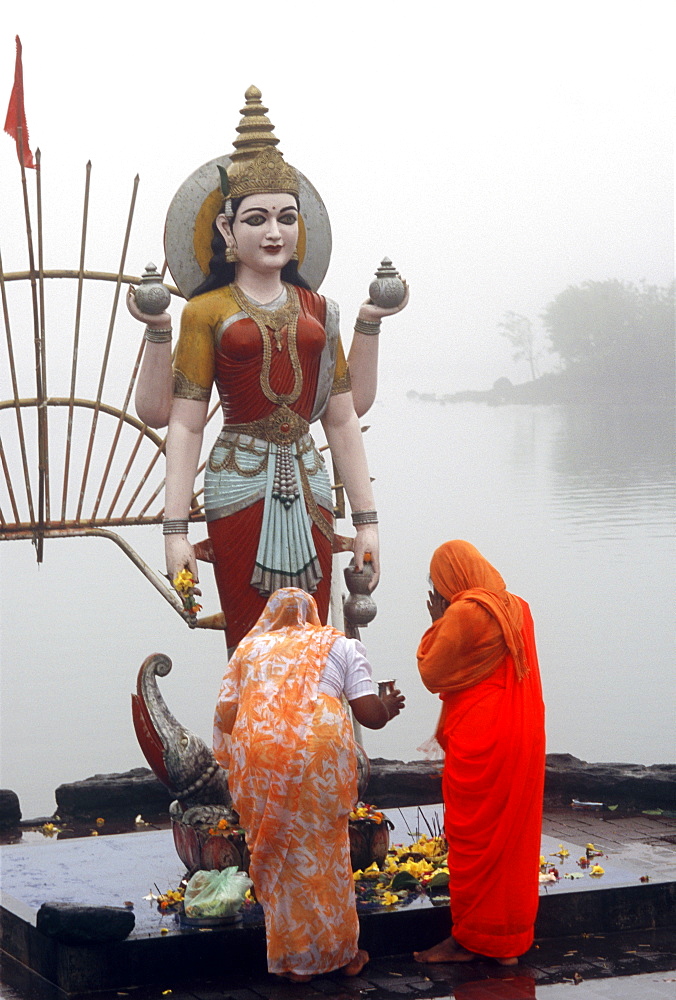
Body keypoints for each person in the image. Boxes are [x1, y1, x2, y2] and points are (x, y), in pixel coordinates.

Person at [127, 86, 407, 650]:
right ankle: (251, 735)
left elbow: (343, 417)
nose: (274, 232)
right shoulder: (206, 311)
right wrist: (175, 529)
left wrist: (369, 520)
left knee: (316, 636)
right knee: (250, 637)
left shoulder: (319, 311)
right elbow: (181, 422)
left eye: (286, 217)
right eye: (257, 219)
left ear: (302, 227)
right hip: (238, 481)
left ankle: (312, 736)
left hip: (308, 481)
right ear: (227, 231)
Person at [212, 587, 405, 981]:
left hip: (259, 753)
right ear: (312, 615)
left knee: (280, 857)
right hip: (316, 756)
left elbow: (229, 714)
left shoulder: (250, 649)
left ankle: (291, 958)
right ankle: (339, 953)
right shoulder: (337, 644)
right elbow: (368, 714)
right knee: (324, 852)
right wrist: (389, 706)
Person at [413, 540, 545, 966]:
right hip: (520, 731)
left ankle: (470, 938)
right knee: (512, 842)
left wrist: (437, 623)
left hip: (480, 737)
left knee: (472, 839)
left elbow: (432, 672)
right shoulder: (518, 607)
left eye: (438, 583)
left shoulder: (466, 613)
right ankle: (507, 942)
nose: (440, 591)